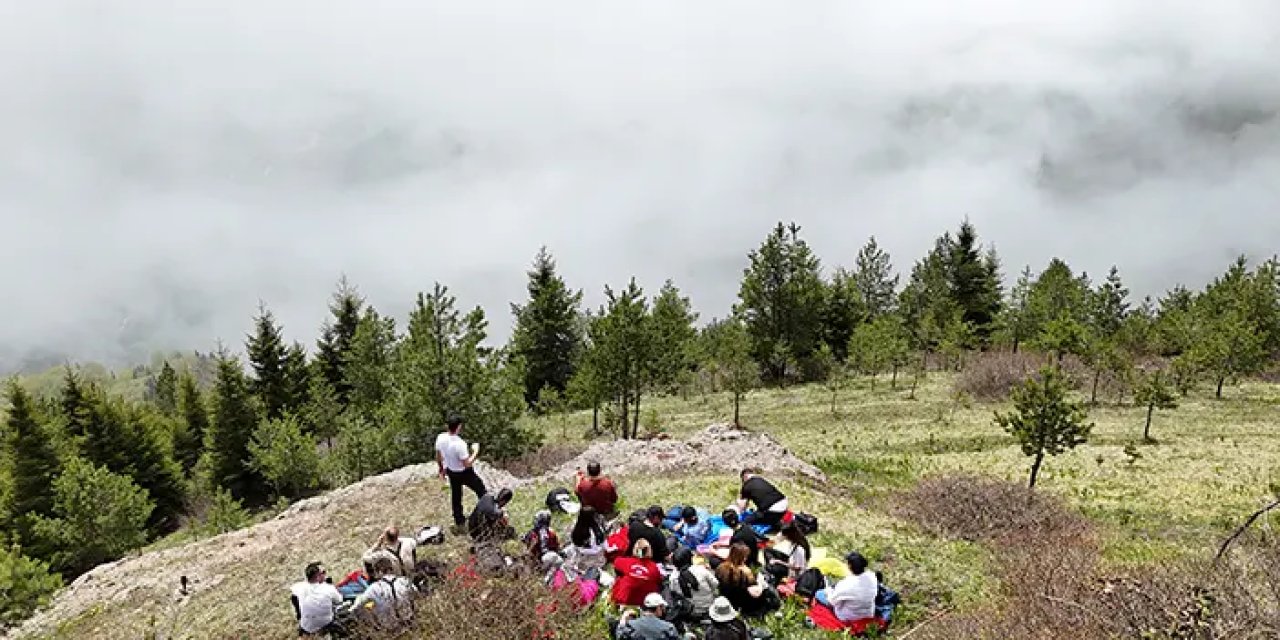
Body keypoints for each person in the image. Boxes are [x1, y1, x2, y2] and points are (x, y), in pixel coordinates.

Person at [436, 414, 486, 531]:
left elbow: (438, 456)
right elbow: (467, 463)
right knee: (481, 490)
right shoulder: (460, 444)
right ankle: (485, 513)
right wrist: (476, 451)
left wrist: (441, 468)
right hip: (464, 472)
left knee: (456, 495)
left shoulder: (440, 438)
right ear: (459, 427)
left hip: (451, 471)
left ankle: (459, 520)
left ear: (447, 426)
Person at [714, 543, 779, 619]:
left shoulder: (721, 567)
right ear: (741, 557)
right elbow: (755, 590)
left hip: (727, 596)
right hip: (742, 601)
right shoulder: (745, 571)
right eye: (745, 556)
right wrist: (761, 584)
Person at [353, 556, 415, 630]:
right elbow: (416, 594)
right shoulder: (404, 581)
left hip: (388, 627)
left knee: (367, 607)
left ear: (378, 572)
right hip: (409, 621)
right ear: (391, 569)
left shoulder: (374, 588)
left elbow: (357, 607)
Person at [290, 562, 345, 637]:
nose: (325, 575)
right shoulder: (328, 588)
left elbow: (293, 592)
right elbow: (339, 601)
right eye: (323, 572)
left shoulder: (299, 587)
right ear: (318, 576)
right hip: (326, 623)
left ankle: (300, 617)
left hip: (306, 626)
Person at [826, 552, 879, 623]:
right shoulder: (872, 576)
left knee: (819, 594)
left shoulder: (847, 584)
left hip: (850, 616)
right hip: (868, 613)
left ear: (850, 566)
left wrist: (829, 591)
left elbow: (832, 602)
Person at [670, 546, 718, 621]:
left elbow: (674, 592)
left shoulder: (673, 577)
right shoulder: (700, 570)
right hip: (708, 605)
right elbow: (715, 584)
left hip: (690, 609)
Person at [612, 539, 663, 607]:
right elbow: (659, 580)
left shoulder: (626, 562)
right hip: (645, 601)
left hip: (625, 600)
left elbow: (616, 562)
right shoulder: (654, 567)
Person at [617, 592, 681, 640]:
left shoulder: (631, 625)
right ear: (658, 607)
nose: (663, 610)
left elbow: (620, 636)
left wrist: (623, 619)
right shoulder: (669, 628)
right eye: (662, 607)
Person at [568, 506, 608, 573]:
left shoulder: (576, 524)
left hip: (579, 547)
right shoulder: (593, 531)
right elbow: (595, 549)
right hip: (590, 551)